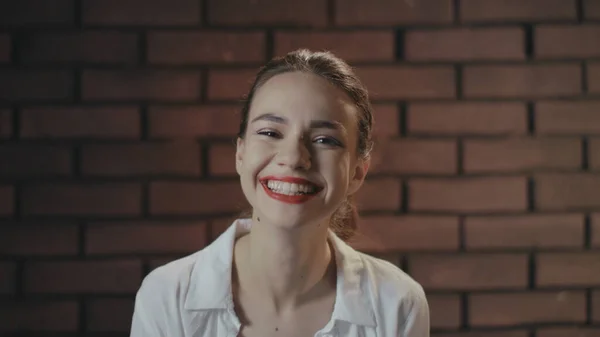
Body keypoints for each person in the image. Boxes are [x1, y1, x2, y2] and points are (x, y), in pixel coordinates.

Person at [130, 49, 430, 337]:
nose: (295, 157)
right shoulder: (167, 296)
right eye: (271, 133)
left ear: (357, 173)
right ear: (240, 154)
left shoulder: (398, 304)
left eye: (325, 139)